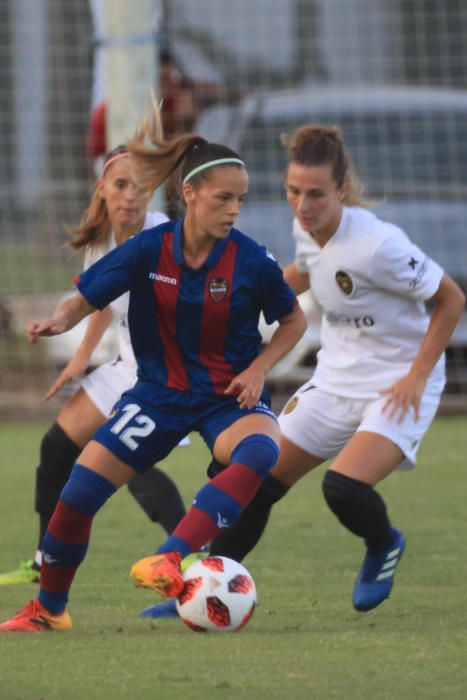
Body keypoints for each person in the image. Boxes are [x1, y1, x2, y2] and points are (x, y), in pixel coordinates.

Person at [0, 114, 307, 632]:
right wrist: (60, 319)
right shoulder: (148, 248)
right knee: (76, 496)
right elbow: (88, 296)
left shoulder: (252, 260)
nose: (234, 210)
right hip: (158, 394)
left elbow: (293, 320)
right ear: (189, 193)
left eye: (240, 200)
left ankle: (170, 555)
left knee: (261, 451)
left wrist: (259, 368)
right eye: (222, 198)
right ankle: (49, 610)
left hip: (225, 396)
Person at [205, 124, 465, 613]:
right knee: (255, 478)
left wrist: (416, 376)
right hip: (336, 380)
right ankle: (206, 586)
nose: (303, 205)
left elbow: (450, 299)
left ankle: (384, 542)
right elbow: (306, 269)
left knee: (343, 488)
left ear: (342, 190)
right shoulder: (307, 229)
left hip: (398, 383)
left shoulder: (378, 245)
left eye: (317, 194)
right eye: (293, 191)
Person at [0, 138, 188, 587]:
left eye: (140, 186)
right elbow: (101, 301)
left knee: (127, 464)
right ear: (102, 188)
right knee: (58, 448)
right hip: (127, 368)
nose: (131, 195)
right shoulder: (102, 241)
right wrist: (81, 359)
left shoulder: (167, 240)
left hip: (165, 376)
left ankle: (189, 556)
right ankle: (46, 559)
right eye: (121, 185)